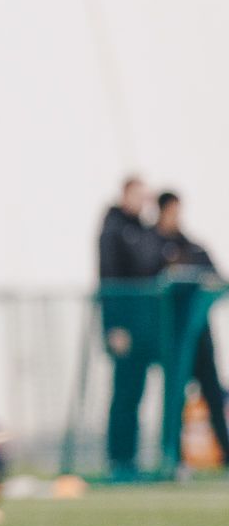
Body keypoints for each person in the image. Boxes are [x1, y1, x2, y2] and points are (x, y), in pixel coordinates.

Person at [152, 191, 229, 467]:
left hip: (199, 337)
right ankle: (172, 457)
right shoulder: (151, 247)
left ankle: (226, 452)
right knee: (175, 398)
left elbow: (217, 278)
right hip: (171, 338)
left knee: (212, 394)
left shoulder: (193, 248)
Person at [97, 177, 160, 478]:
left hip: (144, 327)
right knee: (123, 394)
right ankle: (118, 459)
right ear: (124, 195)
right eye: (136, 195)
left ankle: (131, 458)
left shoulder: (144, 231)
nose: (141, 201)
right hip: (124, 329)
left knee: (136, 393)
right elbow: (109, 277)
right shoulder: (113, 230)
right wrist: (115, 327)